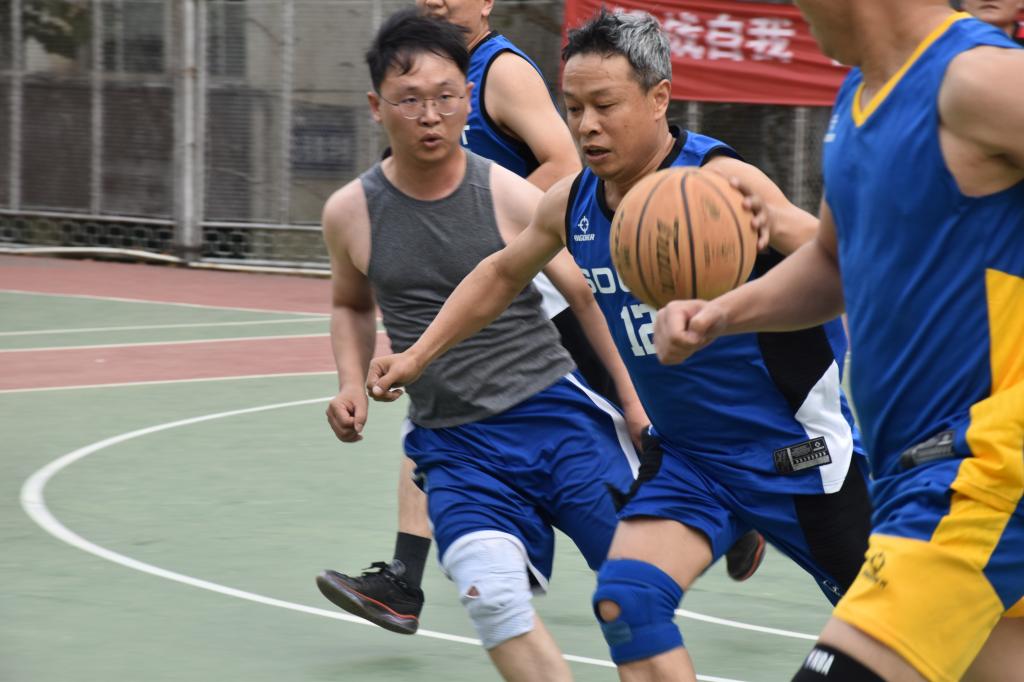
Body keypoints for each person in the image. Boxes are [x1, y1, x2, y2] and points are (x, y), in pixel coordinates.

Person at [365, 10, 874, 681]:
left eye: (604, 106)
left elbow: (837, 258)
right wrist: (416, 356)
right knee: (626, 603)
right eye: (573, 107)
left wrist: (757, 264)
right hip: (689, 460)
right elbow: (500, 273)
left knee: (902, 631)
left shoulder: (721, 183)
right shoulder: (573, 202)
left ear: (659, 97)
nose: (585, 126)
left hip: (793, 457)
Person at [316, 0, 764, 635]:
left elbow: (565, 163)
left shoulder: (500, 72)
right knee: (439, 403)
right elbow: (359, 300)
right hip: (499, 275)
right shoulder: (421, 89)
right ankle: (405, 576)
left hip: (545, 279)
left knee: (639, 415)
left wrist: (495, 213)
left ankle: (728, 512)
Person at [653, 2, 1024, 681]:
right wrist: (719, 315)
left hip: (982, 467)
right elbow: (832, 262)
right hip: (915, 469)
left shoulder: (977, 79)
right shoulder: (860, 96)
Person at [320, 10, 651, 679]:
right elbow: (350, 304)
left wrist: (633, 403)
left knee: (636, 592)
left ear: (468, 100)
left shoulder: (508, 194)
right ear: (376, 107)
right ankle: (407, 578)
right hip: (456, 447)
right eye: (409, 100)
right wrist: (350, 381)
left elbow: (584, 297)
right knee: (494, 602)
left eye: (445, 97)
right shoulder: (349, 213)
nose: (430, 116)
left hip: (557, 423)